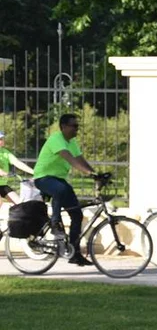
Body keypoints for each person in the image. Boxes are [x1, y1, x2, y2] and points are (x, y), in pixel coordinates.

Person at [32, 114, 96, 266]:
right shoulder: (56, 139)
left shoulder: (72, 141)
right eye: (74, 126)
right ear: (63, 127)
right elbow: (71, 159)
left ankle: (75, 254)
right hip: (43, 177)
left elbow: (80, 158)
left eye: (77, 126)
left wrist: (95, 174)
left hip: (58, 179)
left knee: (77, 214)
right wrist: (87, 173)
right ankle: (55, 224)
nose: (76, 129)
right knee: (60, 189)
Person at [0, 131, 36, 204]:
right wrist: (3, 173)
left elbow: (17, 163)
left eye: (2, 138)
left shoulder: (5, 152)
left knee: (20, 203)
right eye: (0, 139)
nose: (2, 140)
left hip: (2, 185)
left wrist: (34, 172)